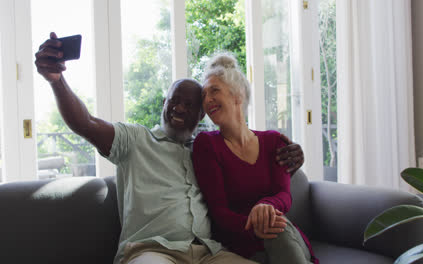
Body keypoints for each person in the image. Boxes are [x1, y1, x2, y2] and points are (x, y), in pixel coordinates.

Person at [34, 32, 305, 264]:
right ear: (164, 102)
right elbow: (86, 123)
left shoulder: (207, 151)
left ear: (201, 116)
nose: (178, 108)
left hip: (207, 253)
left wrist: (293, 157)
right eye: (173, 100)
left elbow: (254, 173)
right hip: (152, 251)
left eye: (189, 105)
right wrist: (57, 81)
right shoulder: (136, 140)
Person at [192, 54, 317, 264]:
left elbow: (284, 195)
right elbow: (219, 212)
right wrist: (257, 223)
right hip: (241, 241)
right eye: (204, 95)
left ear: (237, 95)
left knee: (276, 224)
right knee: (275, 226)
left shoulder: (274, 141)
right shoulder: (207, 145)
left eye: (214, 90)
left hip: (283, 236)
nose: (207, 100)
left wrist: (265, 206)